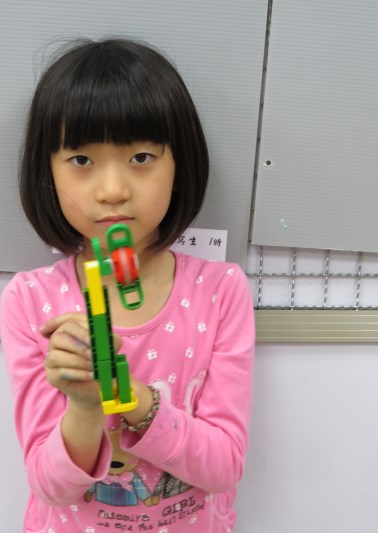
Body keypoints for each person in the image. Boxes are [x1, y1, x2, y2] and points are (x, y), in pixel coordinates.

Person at [0, 37, 255, 533]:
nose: (113, 190)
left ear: (179, 166)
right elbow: (50, 486)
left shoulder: (221, 290)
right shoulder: (29, 301)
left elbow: (224, 466)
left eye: (141, 157)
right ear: (46, 174)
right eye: (81, 161)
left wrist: (132, 398)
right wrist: (84, 405)